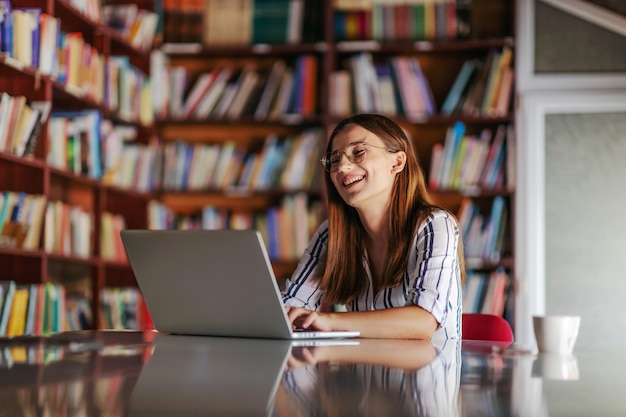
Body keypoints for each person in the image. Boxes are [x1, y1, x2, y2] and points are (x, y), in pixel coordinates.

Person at [282, 113, 465, 342]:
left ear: (397, 162)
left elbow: (423, 322)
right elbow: (290, 309)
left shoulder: (435, 225)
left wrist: (328, 322)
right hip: (359, 375)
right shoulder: (331, 235)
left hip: (425, 375)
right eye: (334, 160)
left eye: (358, 152)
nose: (342, 167)